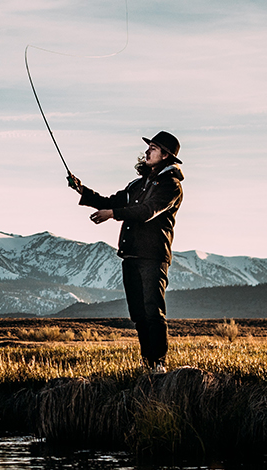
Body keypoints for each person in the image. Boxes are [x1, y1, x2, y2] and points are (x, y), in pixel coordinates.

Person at [67, 131, 184, 374]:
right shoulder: (137, 185)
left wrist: (112, 214)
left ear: (166, 155)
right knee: (138, 314)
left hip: (153, 256)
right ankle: (148, 364)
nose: (147, 151)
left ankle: (159, 364)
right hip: (131, 255)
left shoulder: (171, 186)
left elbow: (146, 211)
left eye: (153, 148)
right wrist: (82, 190)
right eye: (149, 147)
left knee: (153, 310)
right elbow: (113, 201)